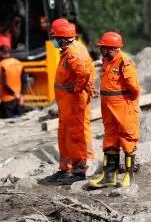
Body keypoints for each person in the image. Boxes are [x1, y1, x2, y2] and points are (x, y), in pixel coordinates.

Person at [44, 19, 94, 185]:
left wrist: (76, 88)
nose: (54, 41)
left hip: (73, 102)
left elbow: (84, 73)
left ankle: (79, 171)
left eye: (56, 38)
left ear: (64, 39)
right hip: (66, 104)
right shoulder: (70, 51)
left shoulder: (73, 53)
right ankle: (65, 168)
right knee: (65, 135)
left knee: (74, 135)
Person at [89, 32, 140, 189]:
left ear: (112, 49)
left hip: (123, 106)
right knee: (110, 139)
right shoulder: (107, 61)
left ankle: (128, 176)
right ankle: (109, 176)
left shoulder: (124, 62)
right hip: (108, 107)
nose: (101, 50)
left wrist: (126, 102)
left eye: (103, 48)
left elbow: (134, 88)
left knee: (127, 138)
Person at [0, 45, 24, 118]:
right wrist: (21, 95)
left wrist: (14, 94)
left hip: (8, 99)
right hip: (18, 98)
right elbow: (24, 80)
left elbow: (4, 84)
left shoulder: (2, 65)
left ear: (0, 53)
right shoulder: (18, 62)